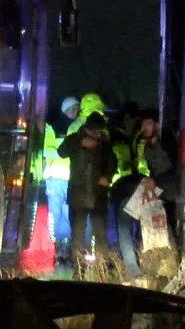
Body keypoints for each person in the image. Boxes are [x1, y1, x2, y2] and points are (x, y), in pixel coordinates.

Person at [112, 107, 176, 279]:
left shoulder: (169, 143)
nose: (144, 128)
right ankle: (133, 271)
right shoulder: (147, 147)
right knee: (123, 212)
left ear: (156, 124)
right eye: (142, 124)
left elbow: (178, 171)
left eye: (147, 123)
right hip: (155, 192)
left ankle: (146, 269)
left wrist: (156, 182)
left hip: (169, 193)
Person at [58, 111, 116, 268]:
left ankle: (101, 268)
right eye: (96, 130)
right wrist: (79, 143)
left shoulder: (104, 144)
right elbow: (61, 151)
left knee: (100, 234)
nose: (98, 134)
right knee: (78, 234)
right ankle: (79, 268)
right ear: (89, 129)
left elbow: (112, 163)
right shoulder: (75, 140)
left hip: (98, 195)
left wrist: (107, 177)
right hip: (79, 194)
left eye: (99, 131)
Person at [42, 96, 79, 263]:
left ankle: (64, 247)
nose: (75, 112)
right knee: (55, 213)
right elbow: (45, 150)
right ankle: (56, 247)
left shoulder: (76, 128)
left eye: (76, 109)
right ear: (64, 110)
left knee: (67, 214)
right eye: (72, 109)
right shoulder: (52, 128)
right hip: (55, 178)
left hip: (70, 178)